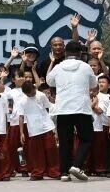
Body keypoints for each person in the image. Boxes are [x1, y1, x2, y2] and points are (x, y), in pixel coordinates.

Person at [45, 40, 97, 182]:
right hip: (81, 108)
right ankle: (77, 165)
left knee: (65, 142)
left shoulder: (58, 67)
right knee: (86, 139)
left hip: (63, 109)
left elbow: (49, 81)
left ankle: (64, 173)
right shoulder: (86, 67)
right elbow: (94, 84)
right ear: (80, 53)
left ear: (66, 53)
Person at [19, 80, 60, 180]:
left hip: (46, 127)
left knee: (51, 150)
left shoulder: (41, 95)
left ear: (34, 88)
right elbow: (21, 116)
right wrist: (21, 132)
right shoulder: (22, 101)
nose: (31, 95)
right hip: (33, 129)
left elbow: (48, 108)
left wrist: (53, 127)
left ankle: (54, 171)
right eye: (29, 94)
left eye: (32, 92)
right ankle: (37, 172)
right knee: (37, 154)